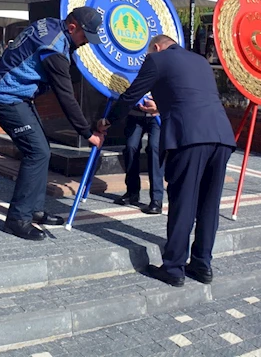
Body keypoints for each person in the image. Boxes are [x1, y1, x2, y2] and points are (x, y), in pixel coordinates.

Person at [99, 35, 235, 286]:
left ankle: (173, 268)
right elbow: (191, 97)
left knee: (183, 203)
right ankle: (202, 265)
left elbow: (130, 96)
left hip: (190, 138)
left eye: (149, 52)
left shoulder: (157, 61)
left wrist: (107, 121)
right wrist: (160, 108)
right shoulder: (201, 61)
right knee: (209, 204)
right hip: (222, 136)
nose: (147, 58)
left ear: (158, 47)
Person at [0, 7, 106, 241]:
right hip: (5, 97)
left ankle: (34, 210)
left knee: (42, 151)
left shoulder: (52, 25)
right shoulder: (53, 50)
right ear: (72, 28)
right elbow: (66, 97)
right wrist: (87, 133)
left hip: (17, 95)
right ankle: (17, 219)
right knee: (37, 152)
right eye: (84, 37)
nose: (86, 43)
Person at [115, 93, 164, 215]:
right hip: (135, 114)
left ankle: (156, 199)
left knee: (154, 148)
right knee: (131, 147)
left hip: (157, 114)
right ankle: (132, 192)